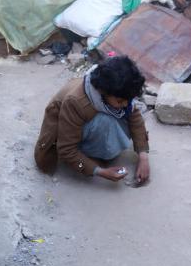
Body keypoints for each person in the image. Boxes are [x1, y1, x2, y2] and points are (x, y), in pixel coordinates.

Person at [34, 55, 150, 184]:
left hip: (87, 122)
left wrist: (143, 156)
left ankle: (104, 148)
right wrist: (100, 171)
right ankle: (96, 155)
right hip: (70, 134)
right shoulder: (76, 102)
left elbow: (135, 116)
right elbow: (66, 149)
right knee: (105, 121)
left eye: (127, 100)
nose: (125, 104)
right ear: (103, 91)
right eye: (120, 100)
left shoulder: (116, 93)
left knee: (126, 112)